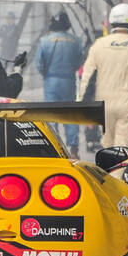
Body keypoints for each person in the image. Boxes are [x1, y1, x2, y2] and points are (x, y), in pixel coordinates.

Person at [79, 3, 128, 149]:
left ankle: (108, 171)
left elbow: (87, 77)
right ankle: (121, 171)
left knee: (107, 146)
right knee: (124, 147)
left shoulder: (99, 45)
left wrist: (84, 104)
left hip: (104, 105)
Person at [36, 11, 84, 157]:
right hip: (69, 81)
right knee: (69, 114)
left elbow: (39, 64)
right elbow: (79, 62)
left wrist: (47, 75)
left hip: (51, 81)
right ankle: (73, 148)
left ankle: (54, 148)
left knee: (52, 114)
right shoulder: (76, 41)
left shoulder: (44, 41)